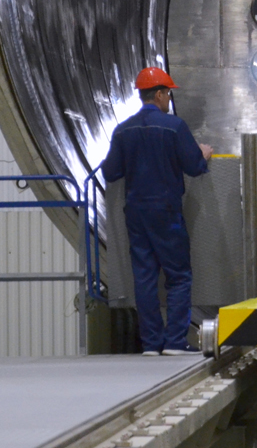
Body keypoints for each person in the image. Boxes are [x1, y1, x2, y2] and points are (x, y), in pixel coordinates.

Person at [102, 67, 214, 355]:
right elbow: (194, 167)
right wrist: (202, 155)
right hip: (166, 212)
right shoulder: (174, 127)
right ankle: (175, 342)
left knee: (144, 277)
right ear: (161, 94)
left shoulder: (123, 130)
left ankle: (151, 344)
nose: (169, 99)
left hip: (136, 213)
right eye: (168, 94)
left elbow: (110, 172)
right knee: (179, 275)